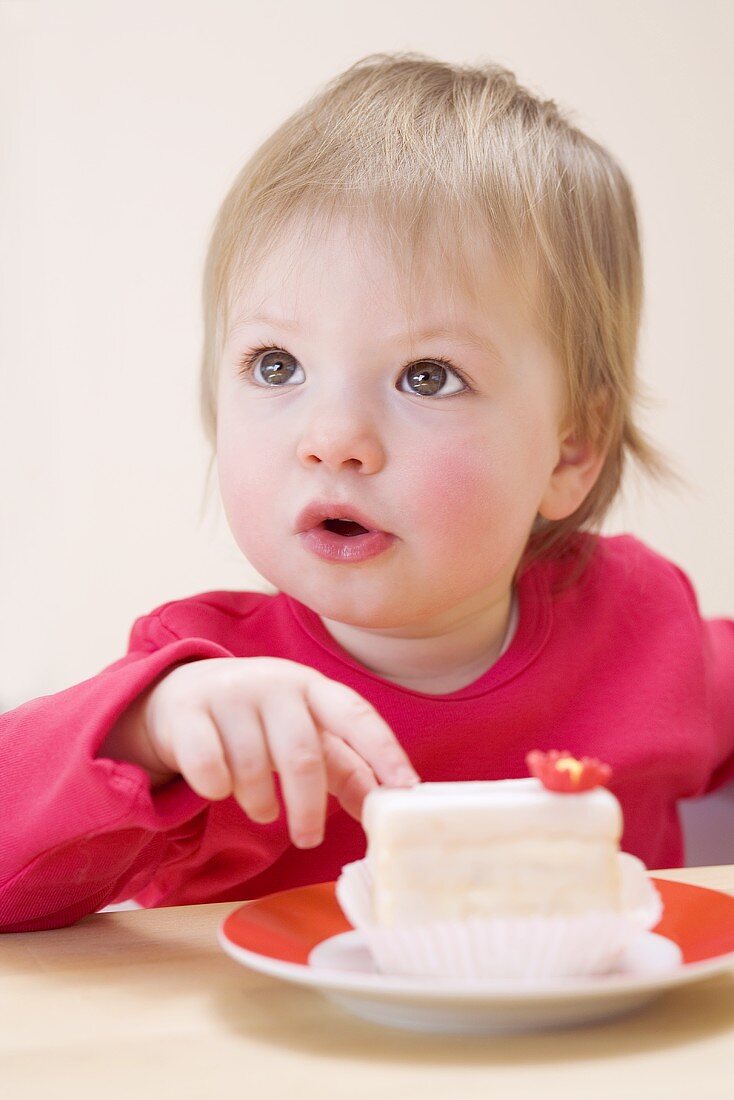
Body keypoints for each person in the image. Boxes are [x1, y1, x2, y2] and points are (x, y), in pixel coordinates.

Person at [2, 52, 732, 935]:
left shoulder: (643, 625)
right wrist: (140, 734)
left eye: (428, 376)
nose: (332, 438)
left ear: (570, 448)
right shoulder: (208, 686)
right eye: (277, 366)